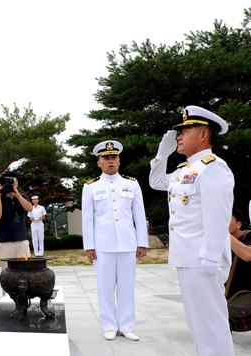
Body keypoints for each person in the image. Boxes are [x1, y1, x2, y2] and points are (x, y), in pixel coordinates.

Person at [149, 105, 234, 356]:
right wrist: (161, 156)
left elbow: (217, 218)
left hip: (204, 260)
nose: (180, 136)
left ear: (204, 134)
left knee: (212, 324)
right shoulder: (184, 170)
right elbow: (156, 182)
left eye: (187, 130)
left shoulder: (213, 167)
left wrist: (210, 258)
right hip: (188, 258)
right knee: (198, 324)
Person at [82, 140, 148, 341]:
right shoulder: (91, 187)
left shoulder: (131, 183)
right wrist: (89, 245)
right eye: (106, 158)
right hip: (103, 245)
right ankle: (109, 326)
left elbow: (139, 214)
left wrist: (142, 242)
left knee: (127, 287)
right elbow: (88, 218)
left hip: (128, 243)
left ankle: (127, 326)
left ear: (119, 161)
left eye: (114, 157)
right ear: (99, 162)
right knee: (105, 288)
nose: (110, 161)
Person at [0, 177, 33, 270]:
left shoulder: (22, 196)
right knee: (7, 272)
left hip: (21, 241)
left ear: (17, 183)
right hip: (4, 242)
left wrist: (17, 195)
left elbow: (30, 208)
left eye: (14, 182)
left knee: (25, 270)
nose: (12, 184)